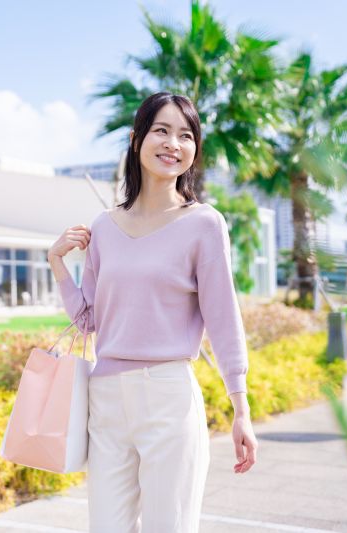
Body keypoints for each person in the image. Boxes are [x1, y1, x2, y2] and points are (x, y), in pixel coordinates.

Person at [48, 92, 258, 533]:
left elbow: (223, 319)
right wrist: (58, 265)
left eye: (186, 135)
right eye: (161, 130)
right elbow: (89, 321)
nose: (173, 144)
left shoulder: (204, 223)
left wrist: (241, 408)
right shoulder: (104, 225)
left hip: (168, 395)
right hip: (105, 400)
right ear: (136, 138)